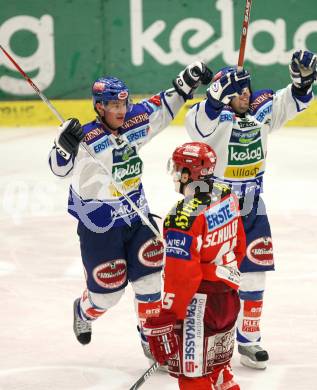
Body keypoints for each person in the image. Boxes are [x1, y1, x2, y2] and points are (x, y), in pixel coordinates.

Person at [48, 62, 213, 361]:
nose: (120, 109)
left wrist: (187, 81)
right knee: (107, 295)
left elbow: (163, 106)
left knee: (150, 281)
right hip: (99, 224)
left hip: (137, 215)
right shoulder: (84, 139)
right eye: (112, 104)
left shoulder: (134, 121)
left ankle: (150, 339)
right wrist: (63, 146)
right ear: (99, 107)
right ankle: (83, 309)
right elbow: (59, 170)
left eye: (123, 102)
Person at [184, 50, 317, 369]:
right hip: (217, 211)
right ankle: (202, 331)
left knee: (256, 271)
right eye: (239, 92)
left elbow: (293, 100)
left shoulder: (260, 109)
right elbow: (197, 126)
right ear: (225, 95)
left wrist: (303, 80)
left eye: (247, 89)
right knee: (214, 277)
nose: (246, 95)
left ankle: (249, 337)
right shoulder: (211, 118)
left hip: (254, 207)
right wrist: (216, 100)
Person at [143, 142, 246, 390]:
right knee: (220, 369)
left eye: (178, 168)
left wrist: (167, 315)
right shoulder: (226, 193)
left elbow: (182, 276)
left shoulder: (182, 216)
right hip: (229, 298)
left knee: (193, 377)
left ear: (189, 173)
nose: (176, 174)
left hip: (199, 305)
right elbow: (239, 245)